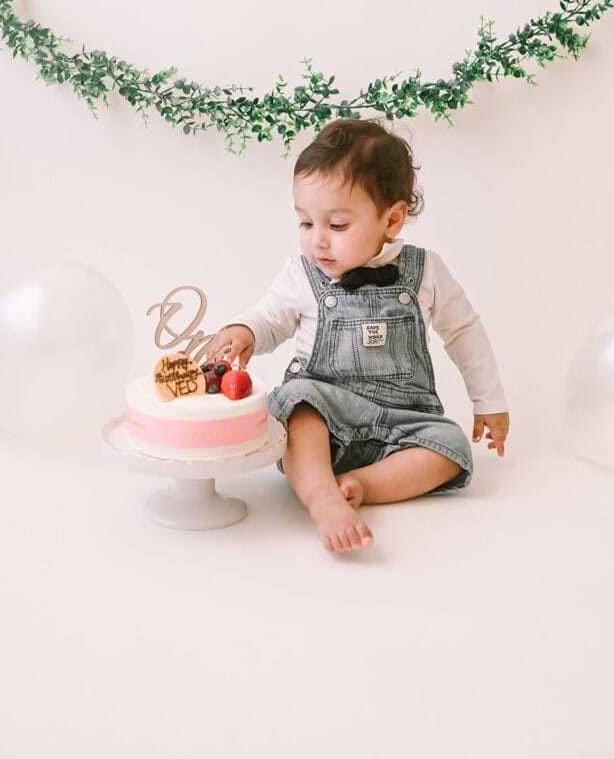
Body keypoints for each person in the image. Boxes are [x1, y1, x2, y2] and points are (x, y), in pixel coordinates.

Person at [207, 119, 510, 554]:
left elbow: (464, 331)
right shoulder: (302, 274)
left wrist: (489, 401)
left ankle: (361, 484)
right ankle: (321, 495)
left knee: (452, 447)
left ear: (392, 219)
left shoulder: (426, 271)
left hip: (402, 420)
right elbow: (271, 317)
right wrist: (246, 330)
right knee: (296, 404)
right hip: (325, 416)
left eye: (336, 225)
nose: (317, 241)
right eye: (306, 223)